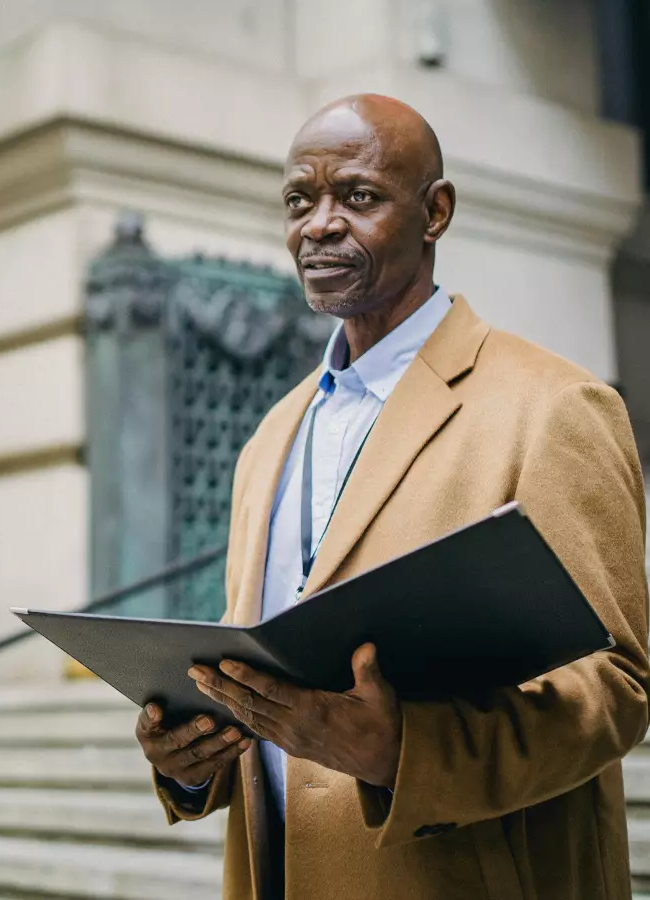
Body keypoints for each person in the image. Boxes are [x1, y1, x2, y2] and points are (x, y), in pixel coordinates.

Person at [135, 93, 650, 900]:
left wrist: (402, 751)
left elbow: (615, 687)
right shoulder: (270, 437)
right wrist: (193, 762)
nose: (320, 225)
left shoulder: (556, 407)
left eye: (359, 196)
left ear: (435, 211)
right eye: (300, 201)